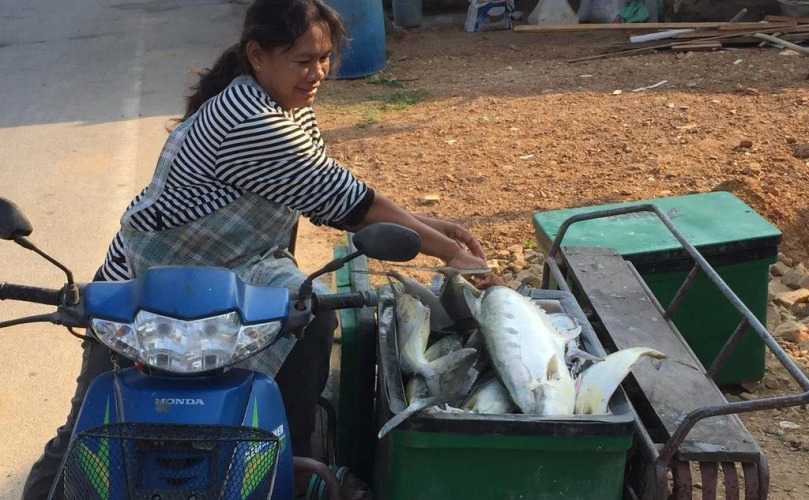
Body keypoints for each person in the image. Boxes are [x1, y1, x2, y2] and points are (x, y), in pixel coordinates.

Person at [22, 0, 497, 498]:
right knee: (87, 433)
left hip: (232, 270)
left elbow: (333, 195)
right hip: (143, 286)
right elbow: (354, 205)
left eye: (324, 58)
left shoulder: (287, 107)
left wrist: (434, 229)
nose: (317, 72)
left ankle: (289, 459)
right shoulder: (249, 120)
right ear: (257, 55)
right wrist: (448, 251)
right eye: (303, 60)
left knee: (311, 315)